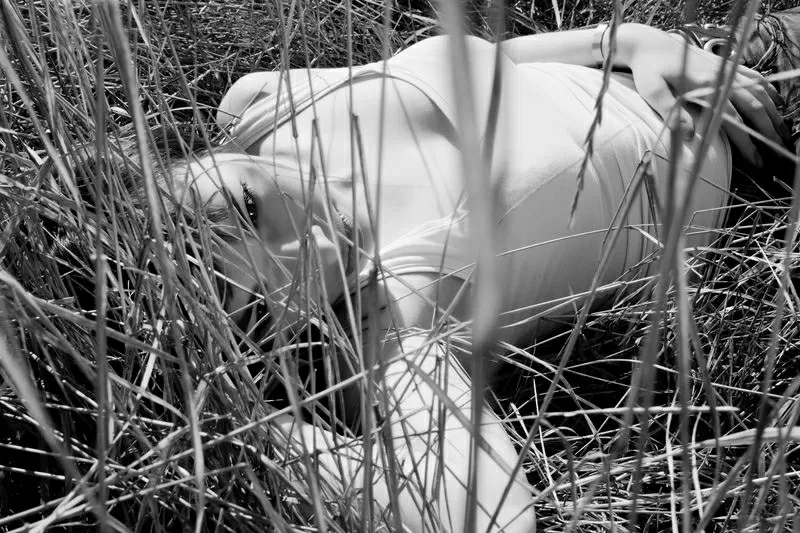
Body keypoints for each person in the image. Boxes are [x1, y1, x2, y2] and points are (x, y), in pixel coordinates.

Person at [167, 21, 789, 533]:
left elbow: (495, 61)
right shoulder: (390, 312)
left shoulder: (262, 105)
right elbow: (492, 517)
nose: (322, 247)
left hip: (682, 58)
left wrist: (633, 43)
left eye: (251, 210)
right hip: (753, 136)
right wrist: (234, 429)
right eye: (271, 293)